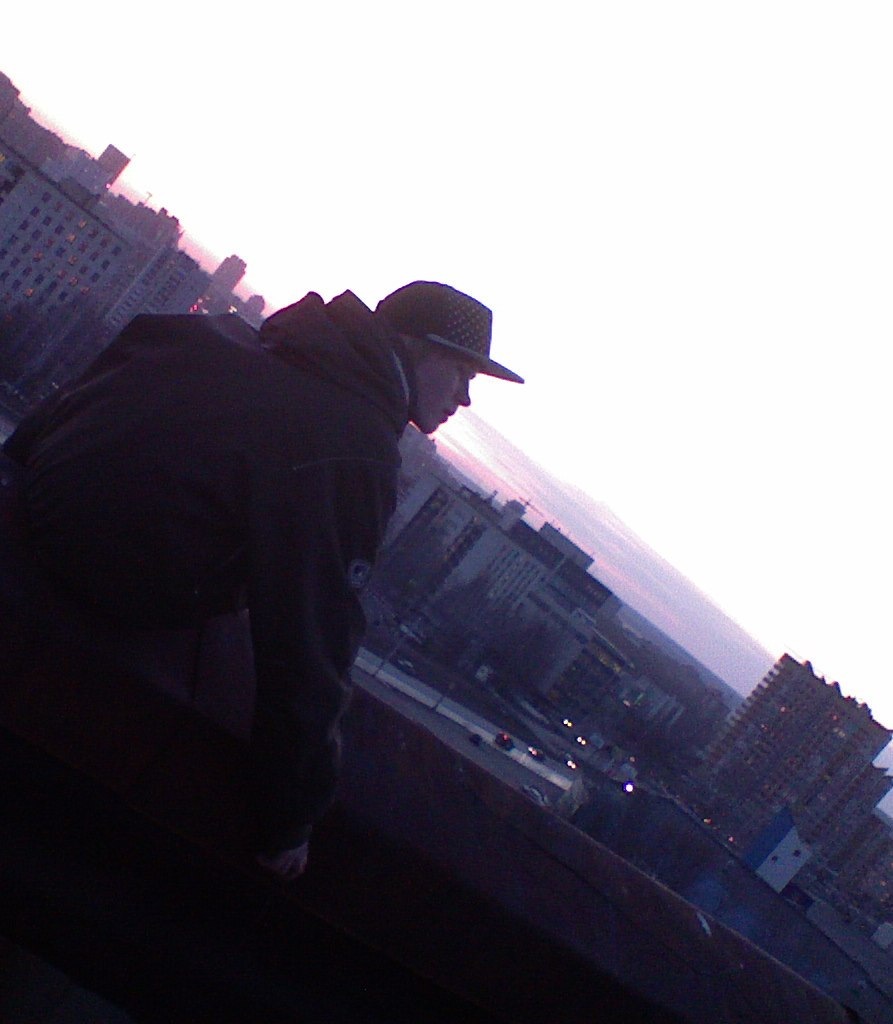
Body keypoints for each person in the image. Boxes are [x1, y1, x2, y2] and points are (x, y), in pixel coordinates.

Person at [3, 280, 523, 880]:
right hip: (109, 592)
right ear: (413, 347)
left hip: (32, 532)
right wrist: (289, 818)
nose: (465, 399)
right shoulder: (353, 446)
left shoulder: (221, 340)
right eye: (461, 374)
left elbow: (56, 419)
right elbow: (311, 638)